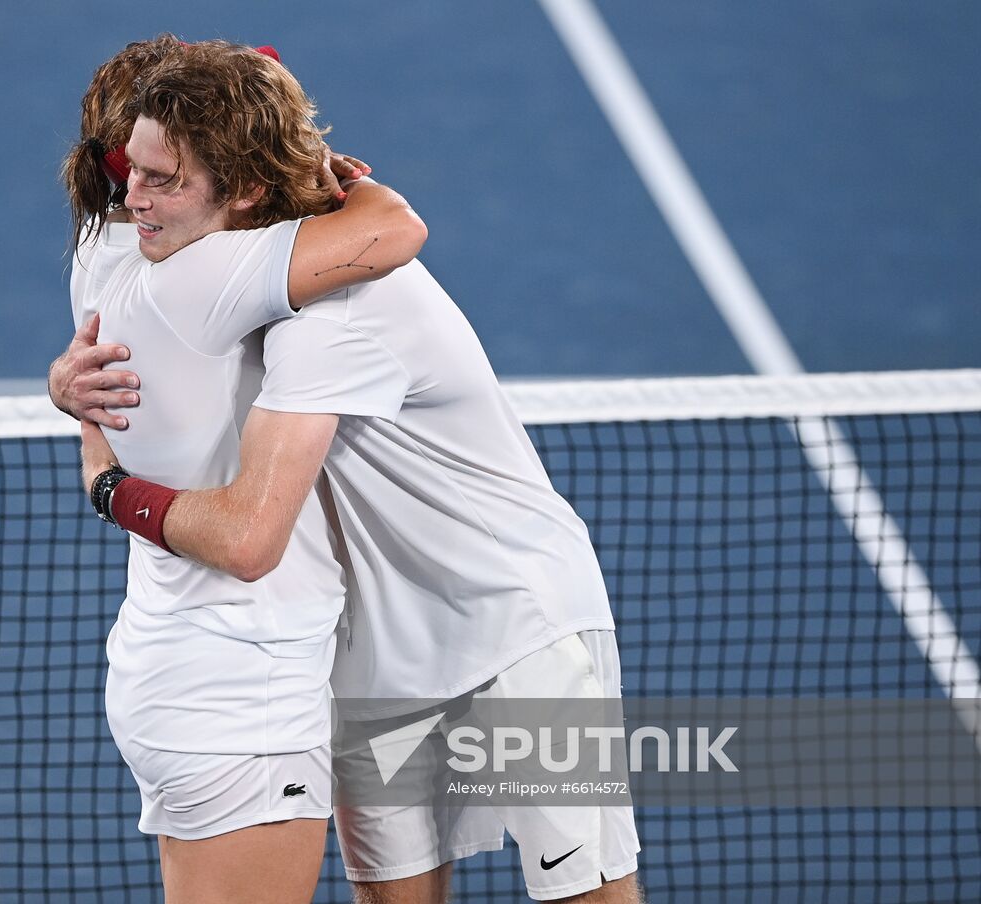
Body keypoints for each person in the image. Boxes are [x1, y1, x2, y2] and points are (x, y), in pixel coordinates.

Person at [59, 43, 643, 904]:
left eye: (159, 174)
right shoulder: (225, 268)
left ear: (242, 183)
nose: (132, 198)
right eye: (126, 171)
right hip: (367, 640)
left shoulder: (332, 312)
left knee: (584, 894)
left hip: (516, 620)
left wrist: (107, 481)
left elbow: (250, 532)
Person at [56, 37, 427, 904]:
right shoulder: (201, 272)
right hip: (237, 694)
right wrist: (330, 171)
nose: (149, 192)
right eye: (147, 170)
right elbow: (394, 228)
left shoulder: (112, 250)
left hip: (190, 669)